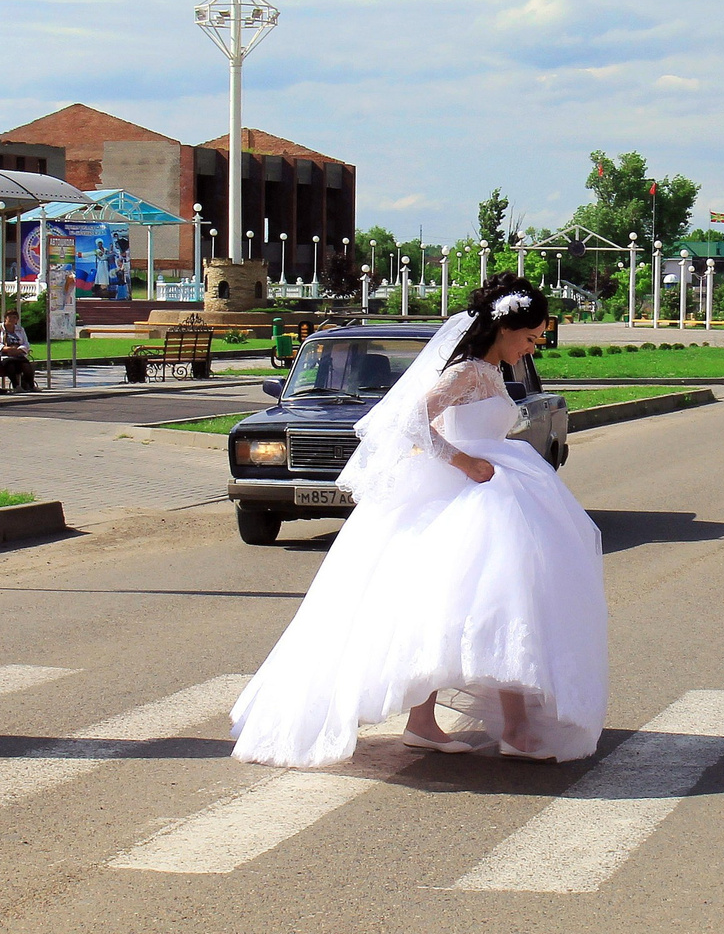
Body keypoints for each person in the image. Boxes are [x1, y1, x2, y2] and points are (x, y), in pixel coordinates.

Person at [229, 275, 607, 767]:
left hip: (496, 493)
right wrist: (463, 462)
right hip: (461, 495)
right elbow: (408, 422)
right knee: (450, 606)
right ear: (504, 326)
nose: (534, 347)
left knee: (505, 605)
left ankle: (491, 725)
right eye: (530, 336)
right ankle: (439, 724)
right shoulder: (467, 372)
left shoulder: (491, 371)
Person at [0, 310, 34, 391]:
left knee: (27, 367)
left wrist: (19, 350)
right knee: (10, 365)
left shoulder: (20, 329)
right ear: (5, 318)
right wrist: (7, 349)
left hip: (18, 354)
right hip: (5, 355)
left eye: (14, 317)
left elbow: (26, 343)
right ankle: (16, 386)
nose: (12, 319)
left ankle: (30, 385)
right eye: (9, 317)